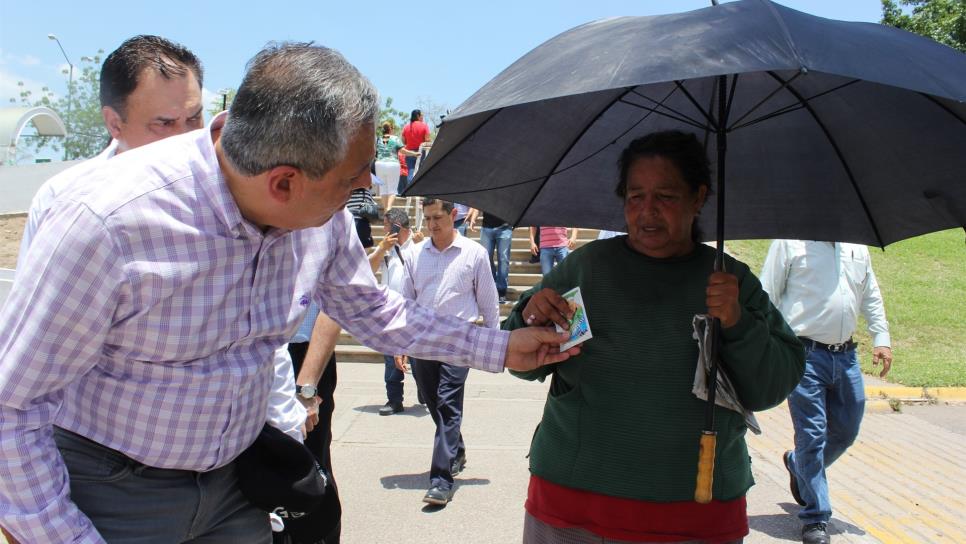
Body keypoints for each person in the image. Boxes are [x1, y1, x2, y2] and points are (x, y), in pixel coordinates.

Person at [0, 43, 578, 544]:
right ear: (283, 183)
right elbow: (12, 409)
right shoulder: (105, 221)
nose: (363, 191)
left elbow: (374, 311)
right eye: (352, 182)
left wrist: (499, 347)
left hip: (237, 484)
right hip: (114, 495)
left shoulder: (314, 215)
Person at [505, 130, 805, 543]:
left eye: (665, 196)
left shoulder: (729, 282)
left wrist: (736, 321)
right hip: (573, 509)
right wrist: (530, 314)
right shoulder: (586, 269)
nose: (647, 212)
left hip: (698, 513)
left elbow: (772, 386)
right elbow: (520, 362)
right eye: (634, 196)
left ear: (698, 198)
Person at [17, 34, 204, 267]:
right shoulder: (62, 199)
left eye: (195, 118)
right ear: (114, 123)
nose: (185, 137)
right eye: (164, 123)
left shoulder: (224, 197)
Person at [760, 240, 894, 544]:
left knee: (846, 430)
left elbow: (870, 293)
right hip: (803, 355)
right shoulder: (789, 243)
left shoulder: (856, 247)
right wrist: (766, 346)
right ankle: (815, 516)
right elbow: (765, 294)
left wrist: (881, 338)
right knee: (813, 435)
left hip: (846, 357)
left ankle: (798, 464)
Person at [396, 198, 500, 506]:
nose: (432, 225)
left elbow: (488, 301)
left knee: (447, 404)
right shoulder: (414, 254)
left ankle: (441, 480)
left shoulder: (475, 254)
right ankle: (456, 448)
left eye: (438, 217)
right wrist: (399, 344)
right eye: (427, 219)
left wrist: (493, 344)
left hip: (459, 341)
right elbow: (403, 304)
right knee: (434, 404)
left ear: (454, 215)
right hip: (422, 344)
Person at [368, 207, 423, 415]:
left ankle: (424, 389)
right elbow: (368, 269)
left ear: (398, 227)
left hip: (414, 311)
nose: (385, 231)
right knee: (391, 359)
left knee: (418, 358)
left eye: (387, 227)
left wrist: (420, 246)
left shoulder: (420, 246)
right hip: (389, 311)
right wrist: (382, 249)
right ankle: (394, 400)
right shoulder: (385, 249)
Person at [468, 208, 514, 304]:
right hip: (487, 228)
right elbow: (478, 205)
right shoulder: (486, 192)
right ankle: (491, 286)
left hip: (505, 228)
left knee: (503, 259)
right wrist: (473, 219)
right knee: (486, 259)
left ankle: (501, 290)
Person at [374, 121, 418, 211]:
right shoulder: (395, 138)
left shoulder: (378, 139)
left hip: (379, 164)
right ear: (390, 129)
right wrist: (414, 154)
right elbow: (403, 151)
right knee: (392, 189)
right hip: (392, 164)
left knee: (383, 189)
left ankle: (386, 209)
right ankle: (389, 209)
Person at [401, 108, 431, 183]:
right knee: (421, 173)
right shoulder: (424, 126)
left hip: (409, 153)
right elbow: (427, 140)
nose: (422, 117)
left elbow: (404, 142)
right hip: (421, 153)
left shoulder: (406, 127)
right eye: (422, 115)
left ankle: (410, 190)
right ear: (418, 116)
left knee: (411, 172)